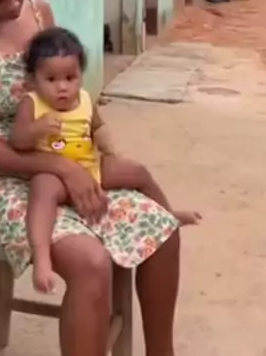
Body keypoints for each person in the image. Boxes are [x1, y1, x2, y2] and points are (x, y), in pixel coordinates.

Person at [0, 0, 182, 356]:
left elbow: (66, 88)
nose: (15, 6)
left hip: (64, 159)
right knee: (91, 262)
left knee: (161, 228)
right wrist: (57, 167)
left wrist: (83, 153)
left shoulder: (39, 11)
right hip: (1, 182)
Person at [11, 25, 201, 294]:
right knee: (42, 190)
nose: (62, 87)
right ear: (33, 80)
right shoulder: (32, 103)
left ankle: (168, 213)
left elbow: (98, 129)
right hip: (54, 174)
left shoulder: (84, 100)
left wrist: (112, 154)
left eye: (70, 78)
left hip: (90, 167)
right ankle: (42, 259)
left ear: (80, 75)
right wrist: (36, 129)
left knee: (137, 172)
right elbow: (17, 141)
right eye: (51, 79)